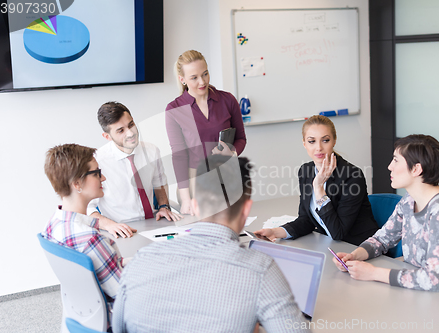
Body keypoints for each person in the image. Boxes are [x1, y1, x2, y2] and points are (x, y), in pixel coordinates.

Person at [112, 155, 310, 333]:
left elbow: (117, 327)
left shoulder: (140, 260)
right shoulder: (260, 270)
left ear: (195, 206)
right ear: (246, 210)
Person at [332, 134, 439, 292]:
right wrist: (355, 256)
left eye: (396, 160)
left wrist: (373, 273)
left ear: (416, 169)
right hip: (418, 289)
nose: (390, 166)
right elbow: (382, 239)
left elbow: (433, 280)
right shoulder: (409, 200)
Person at [255, 115, 379, 246]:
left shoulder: (352, 176)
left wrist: (319, 188)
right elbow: (307, 219)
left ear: (334, 141)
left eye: (325, 140)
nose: (319, 147)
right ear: (304, 143)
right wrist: (275, 232)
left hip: (357, 247)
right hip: (329, 246)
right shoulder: (306, 171)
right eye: (312, 141)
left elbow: (338, 233)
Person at [165, 50, 247, 216]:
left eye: (205, 74)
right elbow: (179, 155)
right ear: (183, 79)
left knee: (234, 234)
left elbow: (241, 138)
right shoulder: (175, 109)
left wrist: (231, 153)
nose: (202, 82)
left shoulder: (227, 100)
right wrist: (185, 198)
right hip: (195, 182)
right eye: (194, 77)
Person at [42, 144, 125, 299]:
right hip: (116, 315)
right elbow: (125, 295)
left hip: (85, 313)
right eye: (96, 173)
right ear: (77, 183)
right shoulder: (90, 239)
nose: (103, 178)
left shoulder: (52, 225)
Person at [87, 102, 181, 238]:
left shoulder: (151, 151)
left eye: (131, 125)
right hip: (122, 230)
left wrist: (164, 206)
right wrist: (109, 225)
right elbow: (88, 208)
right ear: (107, 137)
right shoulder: (97, 162)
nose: (131, 133)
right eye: (121, 131)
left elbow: (159, 183)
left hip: (155, 223)